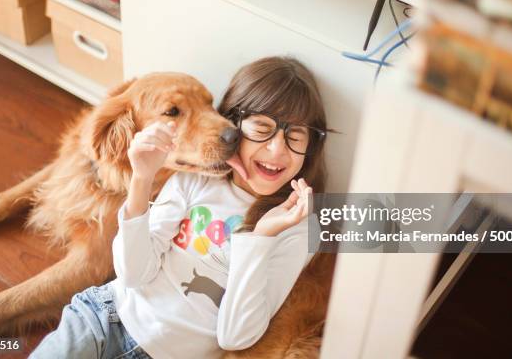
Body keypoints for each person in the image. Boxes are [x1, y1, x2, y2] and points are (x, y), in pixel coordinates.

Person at [27, 56, 330, 359]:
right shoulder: (194, 180)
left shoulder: (300, 229)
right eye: (262, 129)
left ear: (310, 148)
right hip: (105, 317)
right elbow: (132, 275)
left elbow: (235, 336)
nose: (277, 150)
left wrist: (261, 236)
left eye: (294, 137)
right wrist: (141, 180)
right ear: (234, 125)